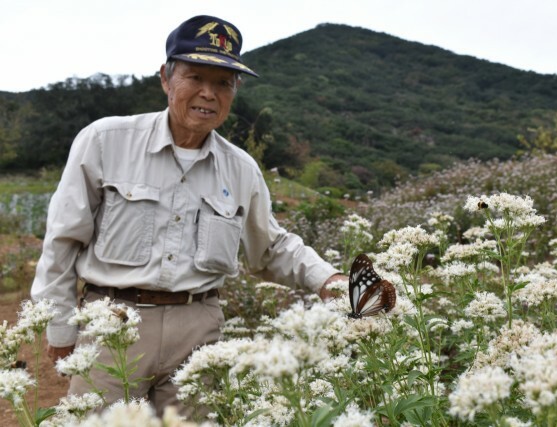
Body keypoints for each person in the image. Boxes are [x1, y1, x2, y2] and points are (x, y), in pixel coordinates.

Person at [31, 14, 346, 414]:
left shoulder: (241, 169)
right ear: (166, 78)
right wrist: (60, 324)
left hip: (198, 334)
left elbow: (270, 248)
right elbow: (63, 239)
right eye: (195, 77)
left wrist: (329, 279)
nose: (208, 94)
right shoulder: (105, 141)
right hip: (112, 327)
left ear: (235, 91)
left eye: (222, 83)